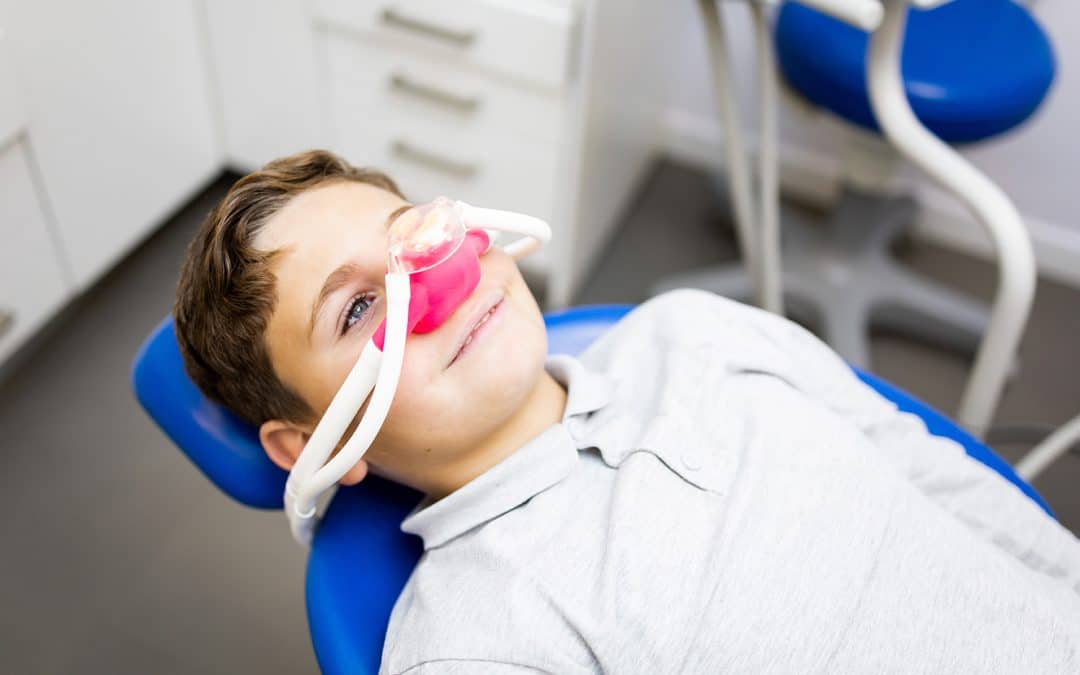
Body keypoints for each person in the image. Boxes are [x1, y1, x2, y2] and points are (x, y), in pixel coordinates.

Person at [175, 150, 1080, 674]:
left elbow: (935, 469)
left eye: (415, 237)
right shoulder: (478, 642)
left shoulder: (694, 329)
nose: (438, 286)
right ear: (309, 446)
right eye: (359, 309)